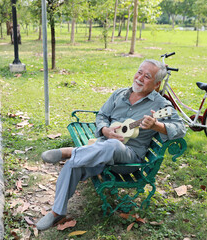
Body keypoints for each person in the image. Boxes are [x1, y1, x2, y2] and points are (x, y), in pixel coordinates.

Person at [36, 59, 186, 231]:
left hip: (128, 159)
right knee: (73, 165)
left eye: (147, 76)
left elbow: (180, 128)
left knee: (112, 145)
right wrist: (106, 130)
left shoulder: (160, 104)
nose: (140, 78)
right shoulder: (120, 94)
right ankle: (57, 213)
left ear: (157, 84)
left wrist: (156, 126)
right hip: (101, 149)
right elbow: (102, 116)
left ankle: (71, 151)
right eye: (139, 72)